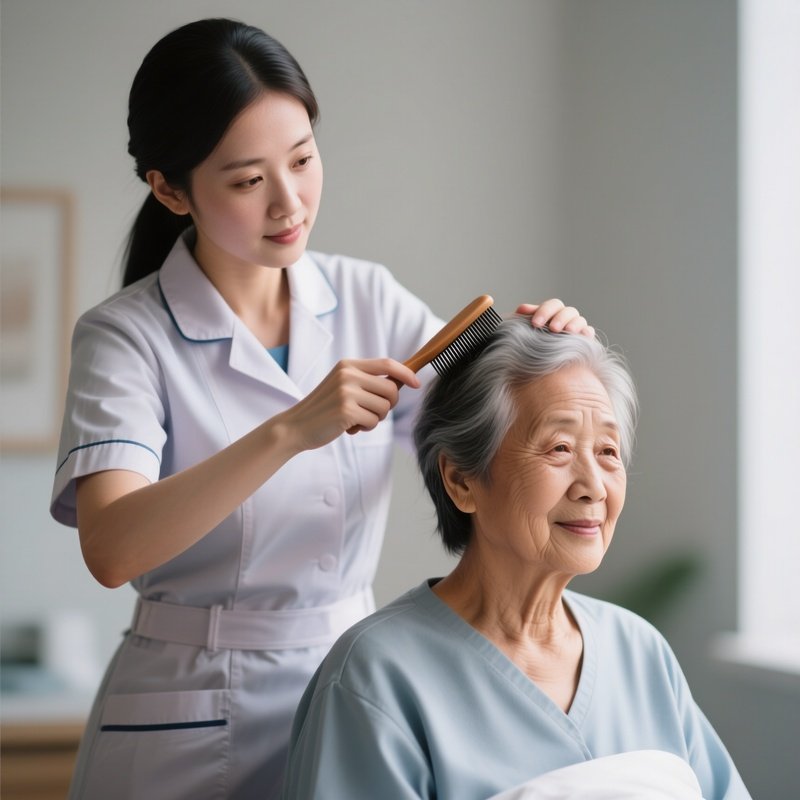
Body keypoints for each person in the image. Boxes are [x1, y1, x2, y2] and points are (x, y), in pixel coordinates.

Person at [49, 18, 592, 800]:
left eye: (302, 159)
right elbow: (112, 547)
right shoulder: (125, 338)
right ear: (169, 189)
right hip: (186, 719)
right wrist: (289, 431)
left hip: (357, 684)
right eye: (246, 180)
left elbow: (493, 429)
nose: (289, 201)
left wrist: (555, 352)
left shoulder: (366, 296)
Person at [281, 317, 752, 800]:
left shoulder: (640, 651)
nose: (593, 487)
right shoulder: (374, 676)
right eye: (560, 448)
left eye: (609, 451)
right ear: (462, 481)